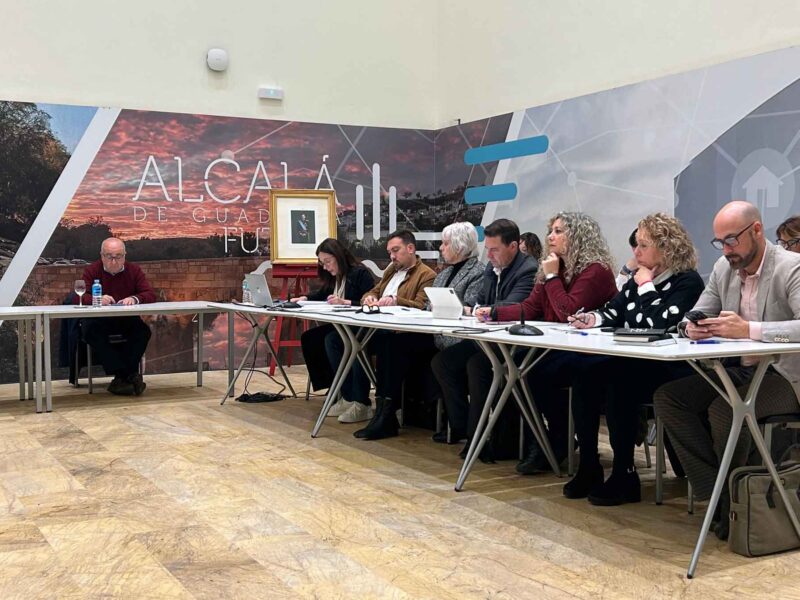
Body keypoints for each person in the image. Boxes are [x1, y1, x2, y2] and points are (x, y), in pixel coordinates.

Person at [654, 200, 800, 540]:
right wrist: (691, 328)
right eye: (720, 242)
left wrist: (749, 329)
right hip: (741, 372)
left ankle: (732, 504)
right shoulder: (724, 268)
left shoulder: (791, 267)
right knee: (669, 399)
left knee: (726, 410)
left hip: (786, 376)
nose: (726, 250)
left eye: (732, 240)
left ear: (757, 230)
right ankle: (722, 496)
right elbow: (694, 315)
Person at [565, 214, 704, 505]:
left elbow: (660, 322)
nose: (635, 252)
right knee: (585, 374)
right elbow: (614, 311)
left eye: (643, 245)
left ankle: (624, 473)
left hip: (672, 368)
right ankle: (589, 464)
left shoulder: (687, 282)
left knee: (619, 382)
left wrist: (646, 286)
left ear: (666, 248)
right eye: (636, 245)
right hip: (637, 362)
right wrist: (591, 319)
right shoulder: (637, 280)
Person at [474, 212, 618, 469]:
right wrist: (494, 313)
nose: (550, 236)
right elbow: (530, 308)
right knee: (516, 367)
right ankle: (544, 439)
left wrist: (551, 277)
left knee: (531, 372)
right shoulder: (553, 265)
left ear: (579, 236)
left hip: (591, 351)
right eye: (551, 230)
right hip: (558, 346)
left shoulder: (596, 270)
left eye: (559, 231)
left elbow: (568, 312)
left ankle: (555, 441)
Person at [431, 218, 537, 448]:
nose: (488, 255)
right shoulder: (491, 267)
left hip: (514, 343)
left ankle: (476, 437)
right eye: (487, 249)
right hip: (488, 338)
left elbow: (512, 307)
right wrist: (483, 310)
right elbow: (480, 303)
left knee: (477, 365)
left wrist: (484, 311)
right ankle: (460, 426)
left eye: (494, 249)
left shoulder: (528, 269)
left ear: (513, 246)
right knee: (443, 361)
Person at [326, 230, 436, 432]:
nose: (392, 256)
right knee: (336, 339)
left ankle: (377, 407)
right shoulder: (391, 271)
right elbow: (374, 291)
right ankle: (350, 397)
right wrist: (368, 297)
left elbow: (422, 305)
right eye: (389, 252)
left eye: (396, 250)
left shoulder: (426, 275)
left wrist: (396, 301)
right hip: (380, 326)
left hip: (402, 332)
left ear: (410, 248)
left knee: (365, 342)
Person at [293, 238, 375, 411]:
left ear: (339, 257)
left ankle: (357, 398)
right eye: (322, 263)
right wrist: (304, 298)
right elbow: (322, 294)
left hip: (363, 328)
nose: (325, 267)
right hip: (345, 326)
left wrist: (345, 302)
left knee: (335, 340)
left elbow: (369, 301)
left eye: (328, 261)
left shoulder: (360, 273)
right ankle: (338, 390)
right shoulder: (336, 278)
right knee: (311, 338)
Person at [76, 237, 156, 395]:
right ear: (101, 256)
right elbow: (79, 296)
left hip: (126, 318)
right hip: (98, 320)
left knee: (143, 332)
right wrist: (97, 299)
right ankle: (128, 375)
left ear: (125, 256)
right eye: (109, 256)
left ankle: (121, 379)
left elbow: (149, 294)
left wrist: (135, 298)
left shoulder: (134, 270)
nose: (114, 261)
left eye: (118, 256)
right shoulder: (92, 270)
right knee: (90, 331)